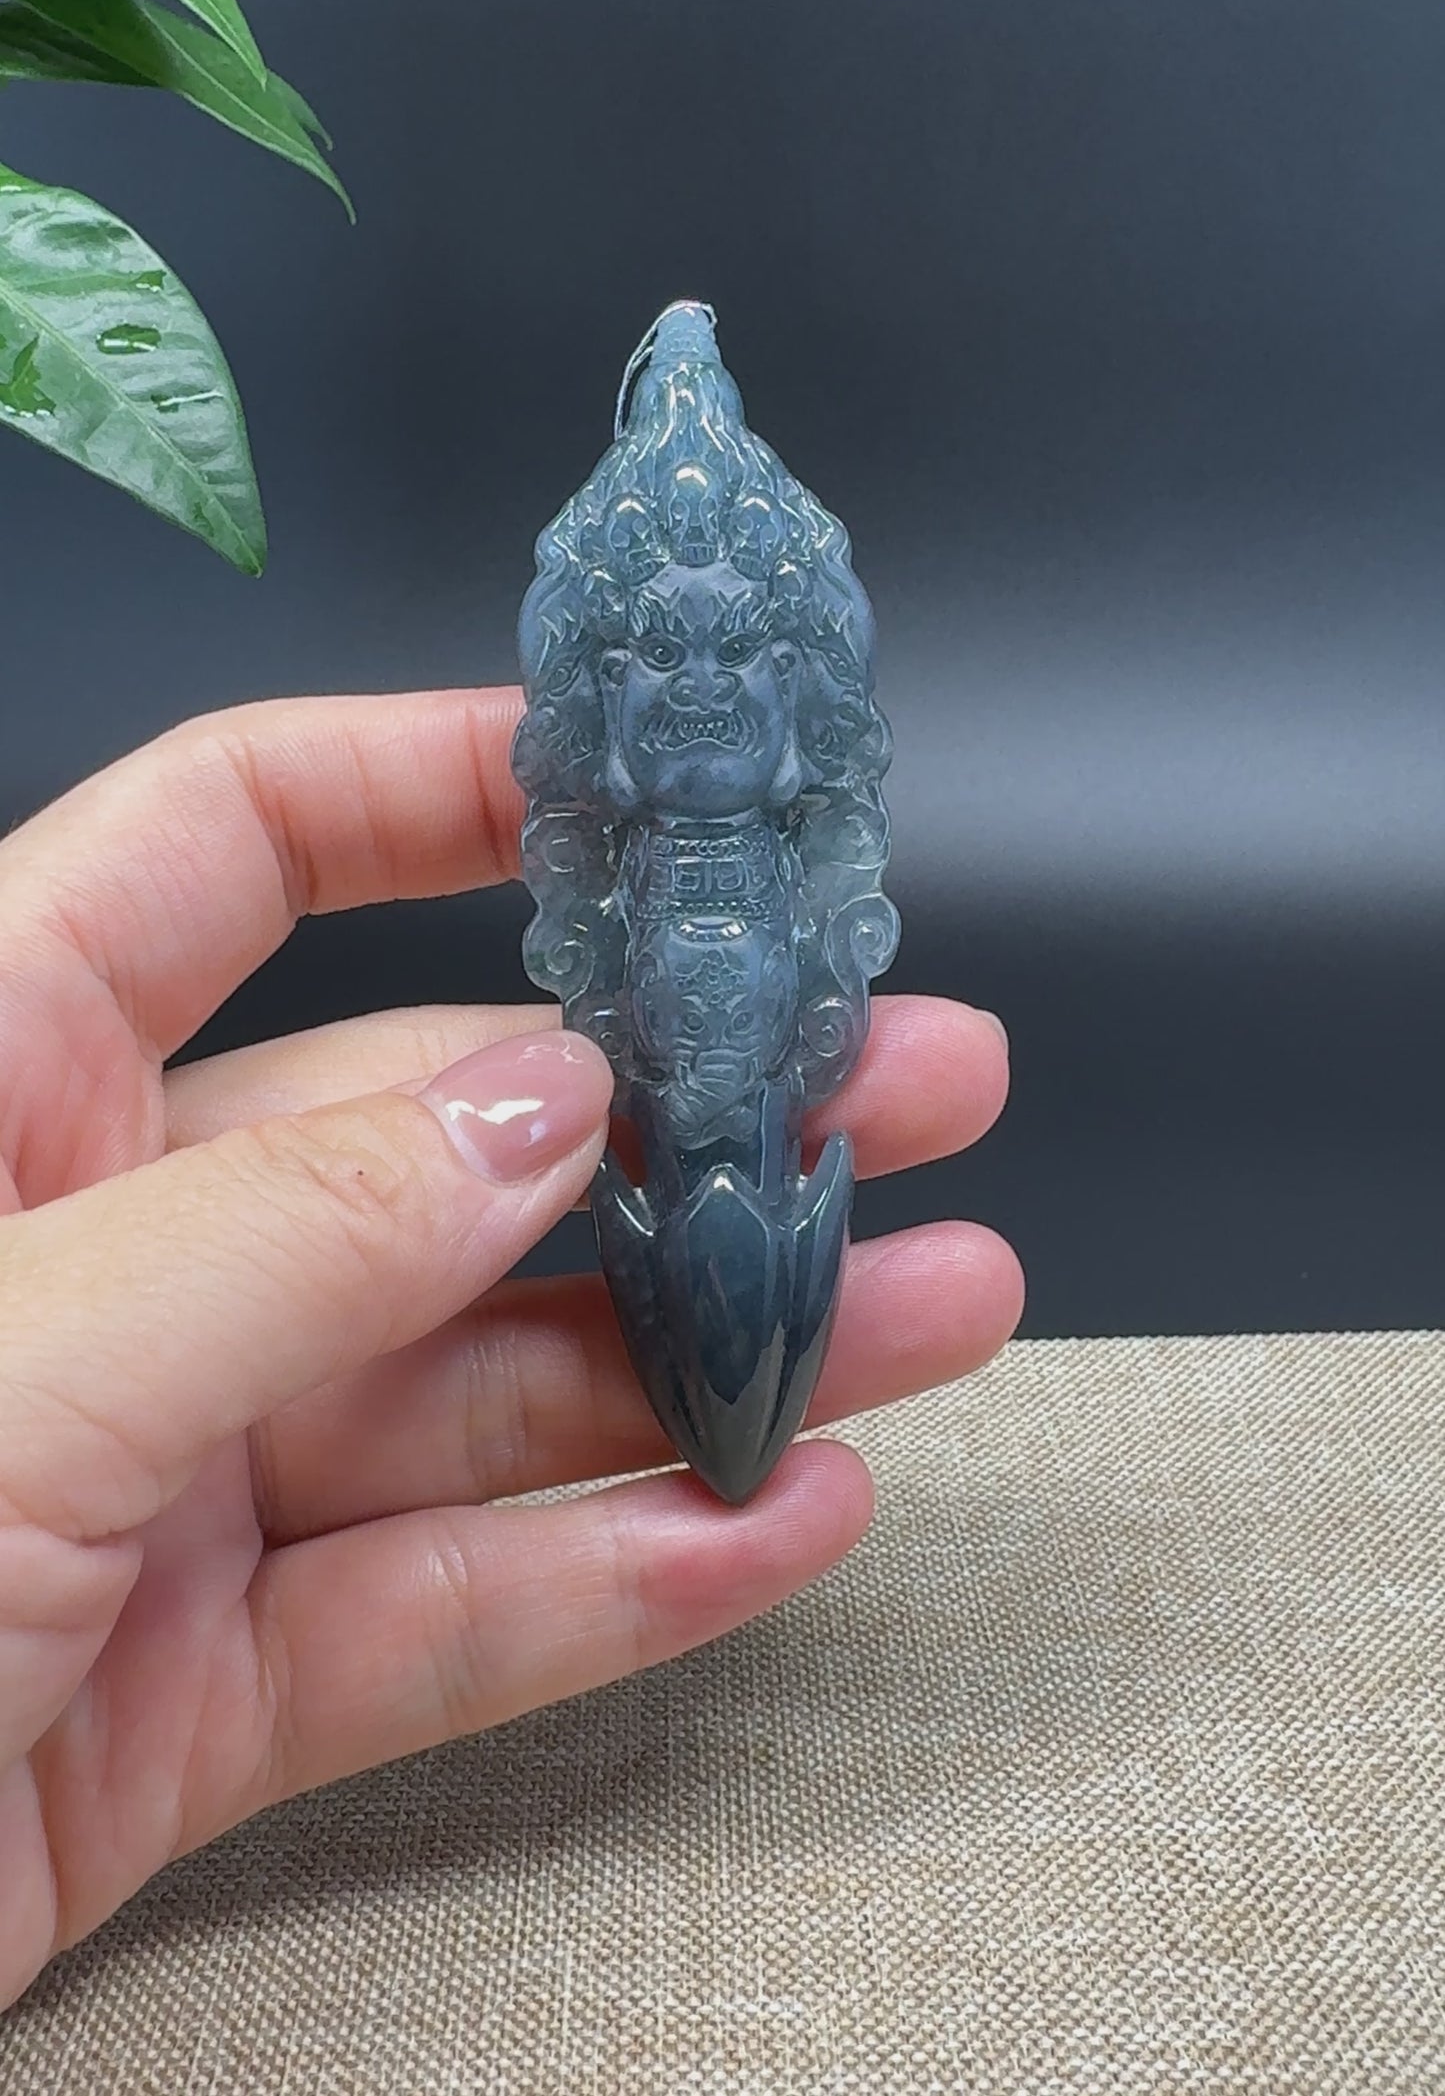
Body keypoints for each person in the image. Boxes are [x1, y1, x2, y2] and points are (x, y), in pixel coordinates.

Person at [0, 686, 1021, 2007]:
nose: (700, 691)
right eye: (661, 664)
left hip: (756, 1106)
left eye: (733, 665)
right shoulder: (625, 871)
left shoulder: (788, 857)